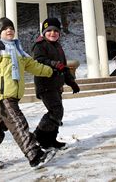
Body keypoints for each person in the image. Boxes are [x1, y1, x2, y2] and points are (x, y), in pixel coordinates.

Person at [0, 17, 56, 170]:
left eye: (11, 28)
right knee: (18, 123)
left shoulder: (18, 50)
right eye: (5, 28)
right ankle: (34, 155)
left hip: (13, 95)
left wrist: (50, 71)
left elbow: (33, 65)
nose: (9, 30)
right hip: (4, 94)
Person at [32, 17, 80, 150]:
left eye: (55, 31)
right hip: (45, 84)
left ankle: (51, 139)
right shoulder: (40, 45)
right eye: (49, 31)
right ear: (44, 32)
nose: (52, 33)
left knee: (58, 112)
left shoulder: (58, 47)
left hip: (56, 85)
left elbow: (64, 67)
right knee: (55, 110)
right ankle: (39, 136)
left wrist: (72, 82)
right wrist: (54, 64)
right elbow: (38, 61)